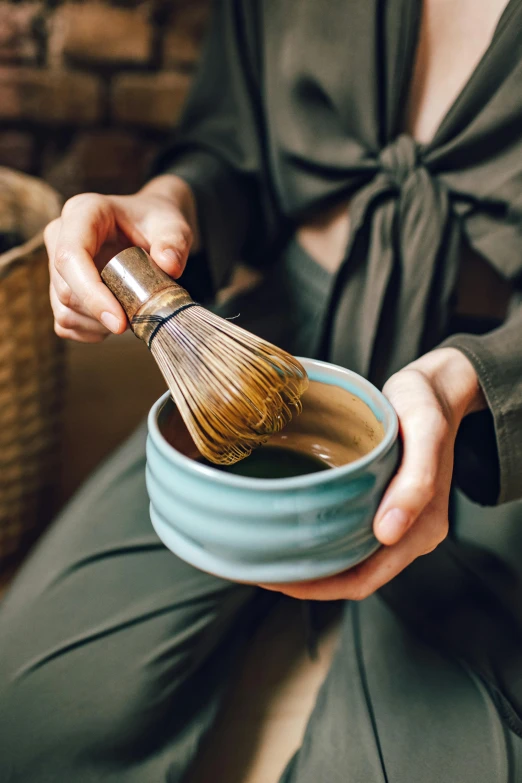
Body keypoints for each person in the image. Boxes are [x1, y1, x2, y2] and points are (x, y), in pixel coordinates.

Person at [1, 0, 522, 780]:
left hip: (491, 416)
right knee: (30, 716)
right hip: (260, 362)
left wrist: (470, 383)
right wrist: (173, 203)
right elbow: (229, 149)